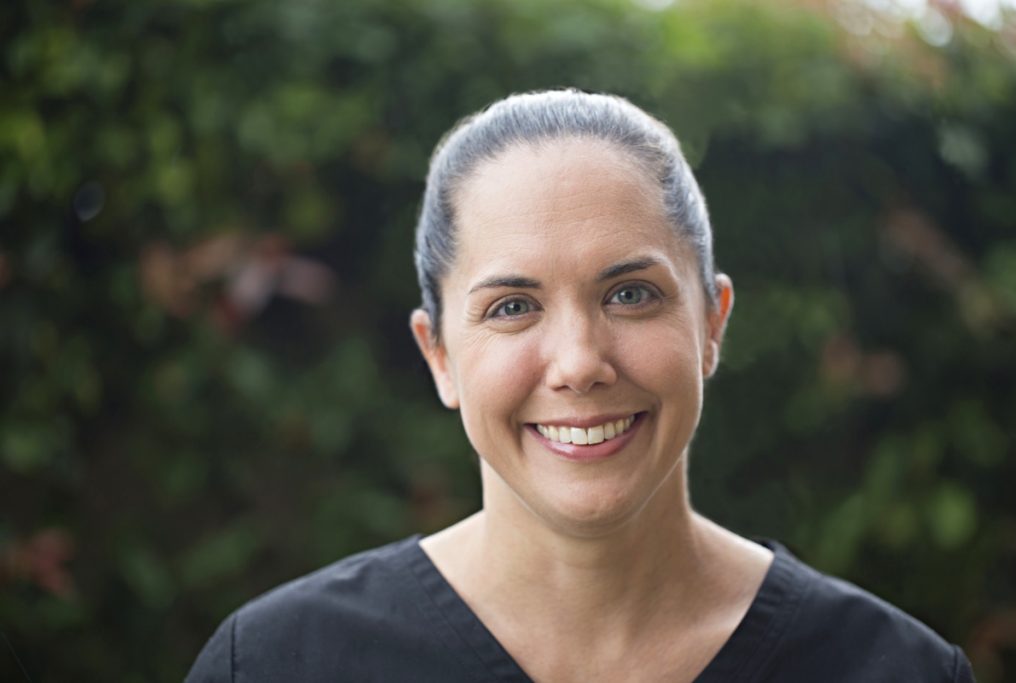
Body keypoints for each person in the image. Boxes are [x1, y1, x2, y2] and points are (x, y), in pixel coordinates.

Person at [186, 90, 975, 682]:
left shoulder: (891, 669)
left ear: (711, 323)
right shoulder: (276, 664)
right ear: (439, 357)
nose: (578, 362)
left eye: (630, 294)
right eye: (513, 306)